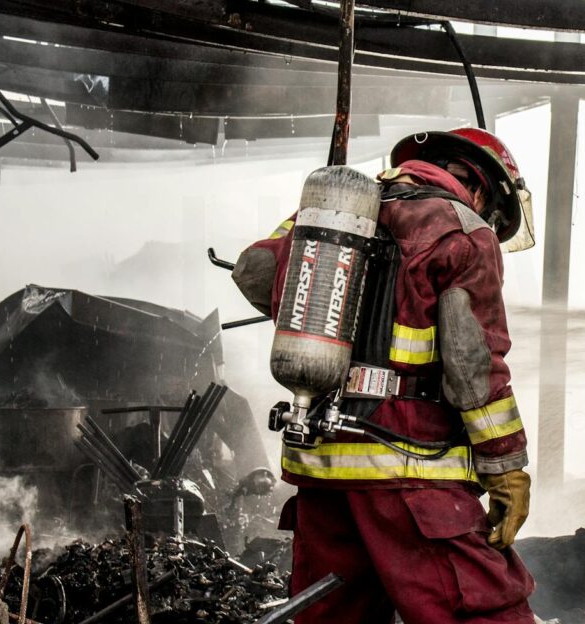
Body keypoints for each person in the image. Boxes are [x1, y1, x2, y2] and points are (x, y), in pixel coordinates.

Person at [231, 128, 538, 623]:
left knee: (333, 618)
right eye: (496, 216)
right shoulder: (463, 229)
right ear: (480, 186)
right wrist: (506, 469)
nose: (491, 225)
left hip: (322, 469)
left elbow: (254, 269)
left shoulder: (334, 212)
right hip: (410, 471)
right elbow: (473, 369)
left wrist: (335, 317)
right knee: (482, 612)